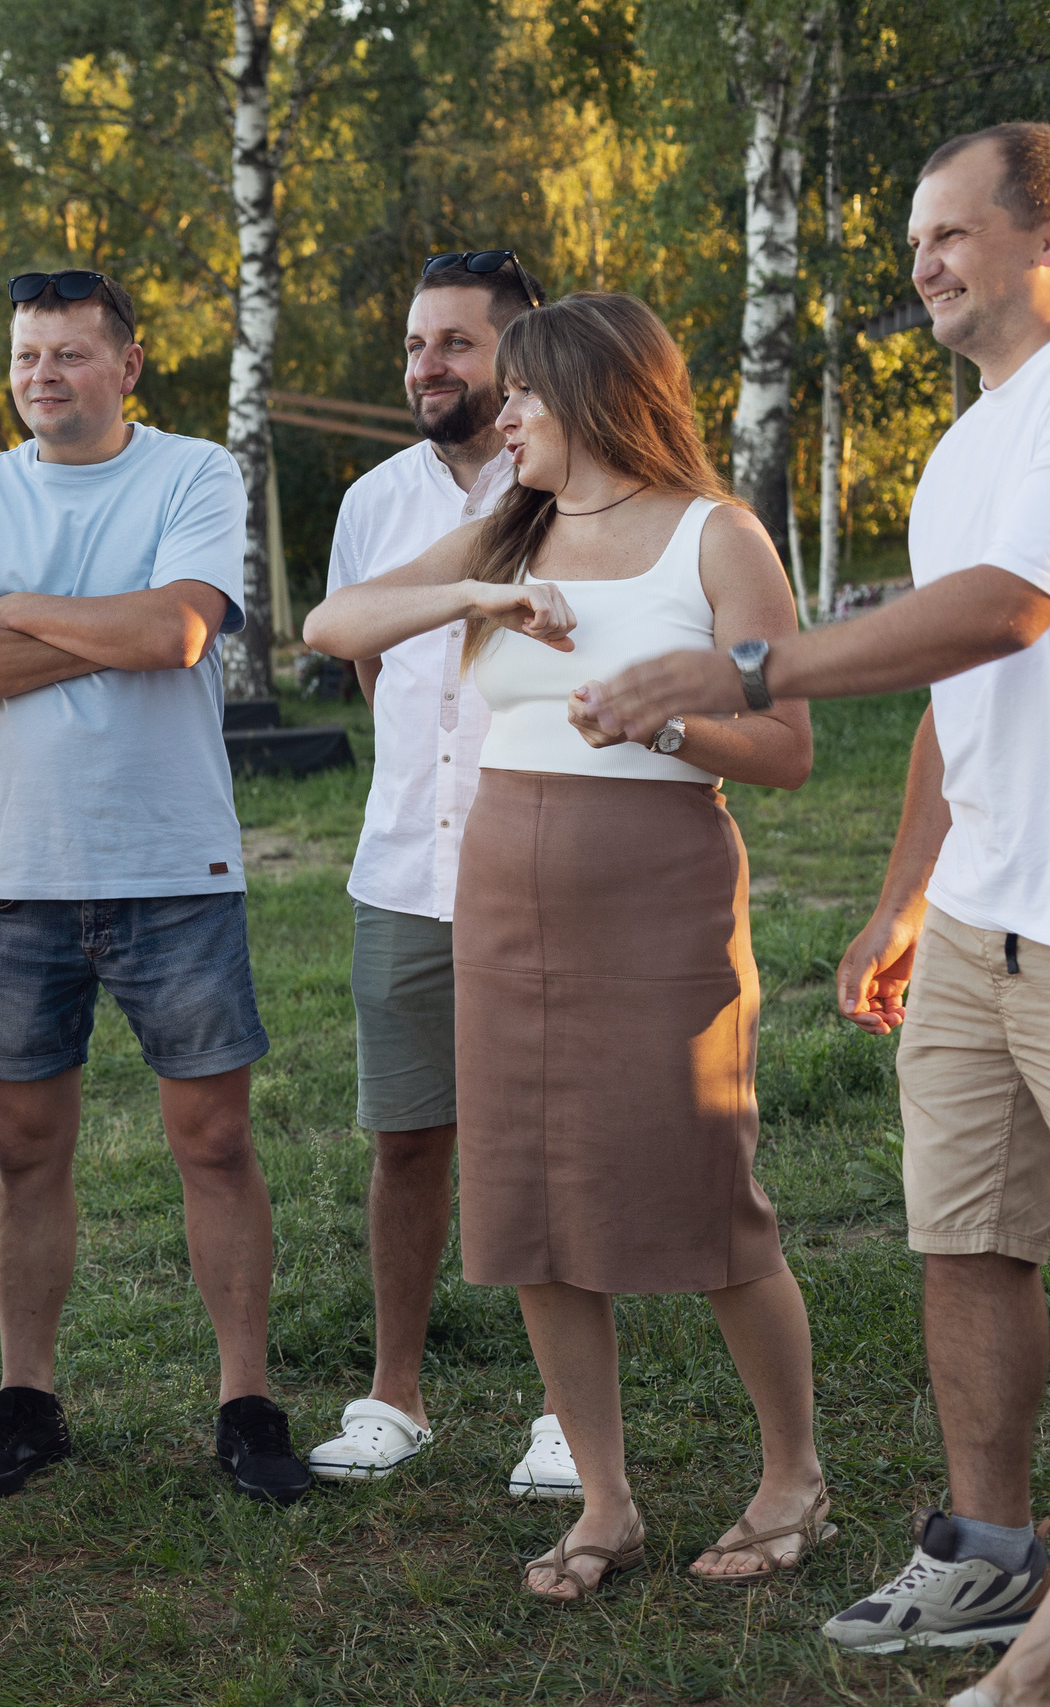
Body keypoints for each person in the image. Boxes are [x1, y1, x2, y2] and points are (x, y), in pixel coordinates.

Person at [591, 123, 1050, 1675]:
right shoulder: (966, 439)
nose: (921, 262)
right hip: (985, 921)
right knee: (969, 1241)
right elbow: (953, 695)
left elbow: (1002, 611)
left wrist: (749, 665)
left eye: (950, 231)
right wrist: (907, 892)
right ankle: (986, 1555)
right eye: (912, 238)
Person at [304, 290, 827, 1601]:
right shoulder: (513, 522)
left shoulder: (718, 536)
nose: (507, 412)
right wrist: (479, 587)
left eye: (526, 393)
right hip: (502, 893)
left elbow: (790, 747)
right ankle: (607, 1494)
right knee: (529, 1205)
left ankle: (792, 1475)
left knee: (708, 1189)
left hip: (659, 894)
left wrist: (665, 722)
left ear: (592, 393)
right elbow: (331, 628)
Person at [0, 267, 309, 1505]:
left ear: (127, 365)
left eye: (71, 355)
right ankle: (25, 1403)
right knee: (24, 1148)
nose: (44, 376)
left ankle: (245, 1404)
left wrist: (18, 614)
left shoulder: (191, 473)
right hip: (21, 874)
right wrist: (93, 623)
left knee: (214, 1138)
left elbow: (179, 636)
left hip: (172, 863)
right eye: (27, 355)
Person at [301, 251, 580, 1498]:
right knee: (407, 1138)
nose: (427, 367)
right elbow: (368, 665)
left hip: (545, 867)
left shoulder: (586, 490)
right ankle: (393, 1397)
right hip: (405, 865)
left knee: (547, 1136)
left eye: (455, 345)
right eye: (416, 344)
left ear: (518, 357)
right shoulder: (372, 503)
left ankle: (566, 1413)